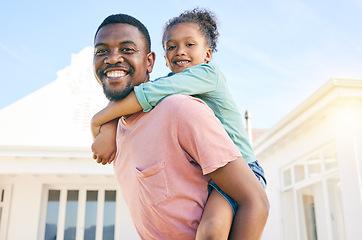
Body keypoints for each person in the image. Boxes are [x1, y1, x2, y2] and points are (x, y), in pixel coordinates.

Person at [92, 12, 269, 239]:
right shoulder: (168, 87)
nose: (180, 51)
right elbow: (131, 93)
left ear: (207, 54)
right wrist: (109, 126)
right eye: (172, 46)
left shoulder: (208, 74)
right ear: (164, 57)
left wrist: (98, 119)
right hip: (216, 174)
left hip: (245, 168)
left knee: (213, 229)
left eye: (189, 44)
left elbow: (143, 93)